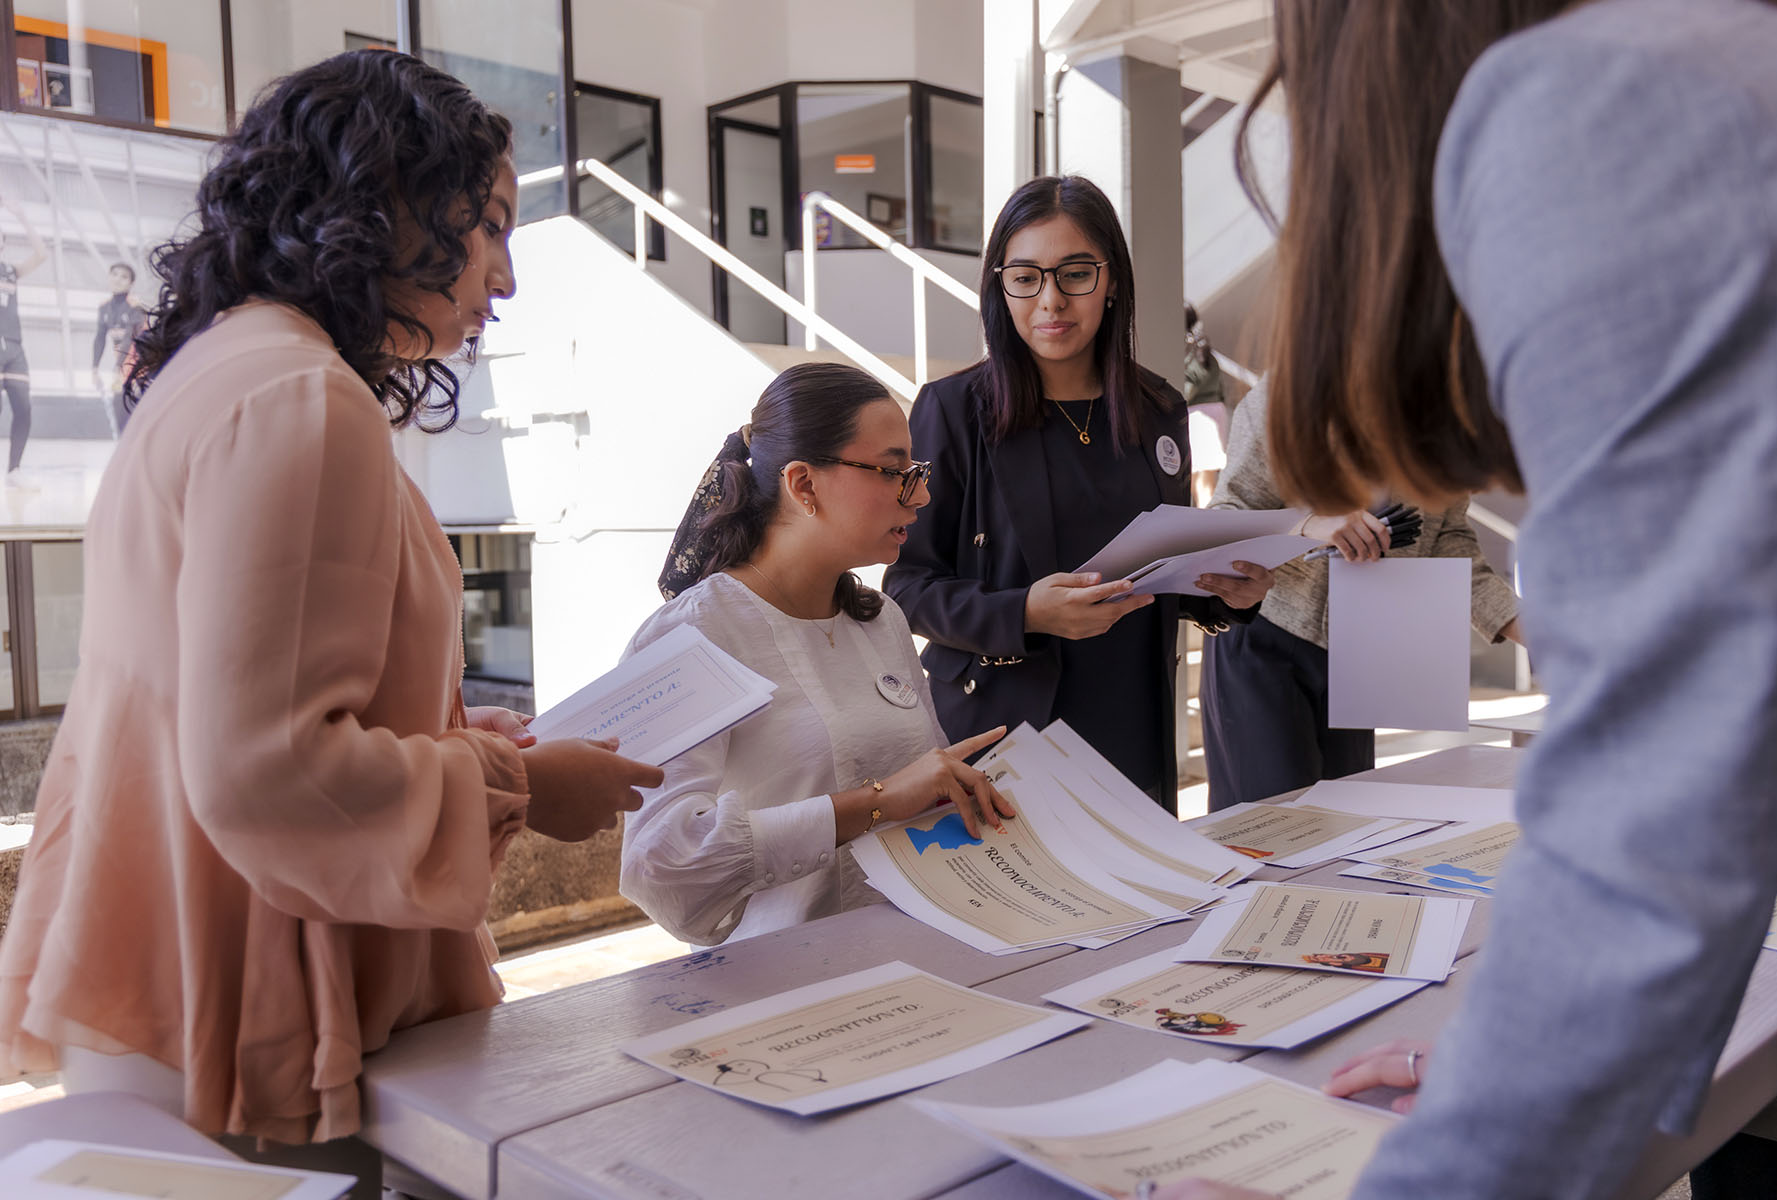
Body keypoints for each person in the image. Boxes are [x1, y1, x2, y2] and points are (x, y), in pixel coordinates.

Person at [1161, 1, 1777, 1198]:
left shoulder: (1594, 104)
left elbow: (1663, 815)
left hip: (1369, 645)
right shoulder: (1740, 72)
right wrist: (1509, 1072)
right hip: (1285, 640)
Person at [0, 50, 661, 1189]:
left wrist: (459, 746)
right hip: (242, 1008)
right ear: (388, 205)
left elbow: (233, 705)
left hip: (165, 967)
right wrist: (523, 788)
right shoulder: (303, 400)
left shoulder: (226, 373)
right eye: (490, 226)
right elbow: (270, 769)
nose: (505, 277)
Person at [884, 176, 1272, 814]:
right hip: (1002, 742)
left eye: (1075, 274)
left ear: (1112, 279)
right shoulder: (953, 410)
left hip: (1133, 735)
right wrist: (1025, 613)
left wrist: (1225, 598)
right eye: (1026, 277)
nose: (1051, 301)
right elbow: (907, 588)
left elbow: (1158, 582)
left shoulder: (1157, 408)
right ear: (999, 285)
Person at [624, 362, 1013, 947]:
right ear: (803, 484)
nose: (922, 495)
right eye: (893, 471)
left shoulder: (880, 621)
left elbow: (927, 790)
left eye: (915, 470)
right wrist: (874, 805)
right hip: (782, 988)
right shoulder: (690, 638)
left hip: (927, 954)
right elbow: (663, 870)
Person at [1200, 380, 1522, 809]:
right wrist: (1307, 523)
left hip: (1363, 653)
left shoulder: (1441, 420)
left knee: (1346, 827)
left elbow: (1447, 542)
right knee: (1269, 830)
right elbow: (1227, 518)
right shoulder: (1283, 400)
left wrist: (1543, 634)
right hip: (1263, 635)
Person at [0, 193, 47, 487]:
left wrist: (22, 216)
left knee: (24, 408)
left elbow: (41, 254)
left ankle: (14, 470)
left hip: (14, 347)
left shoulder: (10, 271)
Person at [92, 260, 147, 437]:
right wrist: (94, 368)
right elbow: (100, 338)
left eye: (124, 277)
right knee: (119, 409)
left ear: (131, 284)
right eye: (115, 274)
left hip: (142, 363)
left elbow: (130, 339)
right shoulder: (104, 307)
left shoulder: (135, 306)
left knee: (128, 407)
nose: (118, 279)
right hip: (122, 366)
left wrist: (117, 368)